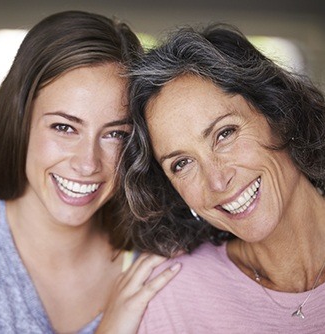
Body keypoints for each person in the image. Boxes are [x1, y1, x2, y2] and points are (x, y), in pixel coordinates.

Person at [121, 23, 325, 333]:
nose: (217, 181)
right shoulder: (173, 295)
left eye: (224, 134)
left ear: (280, 116)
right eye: (182, 163)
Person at [0, 10, 180, 334]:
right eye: (64, 127)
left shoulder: (157, 263)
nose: (88, 163)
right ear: (19, 119)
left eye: (115, 134)